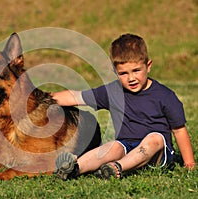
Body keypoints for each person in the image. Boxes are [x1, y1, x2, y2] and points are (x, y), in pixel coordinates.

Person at [52, 33, 195, 180]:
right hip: (126, 147)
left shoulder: (165, 96)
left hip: (157, 155)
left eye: (136, 71)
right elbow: (76, 97)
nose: (131, 78)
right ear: (115, 72)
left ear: (148, 66)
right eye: (123, 73)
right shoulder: (113, 92)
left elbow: (179, 131)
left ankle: (116, 167)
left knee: (155, 138)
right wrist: (43, 98)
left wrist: (189, 163)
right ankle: (74, 168)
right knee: (112, 146)